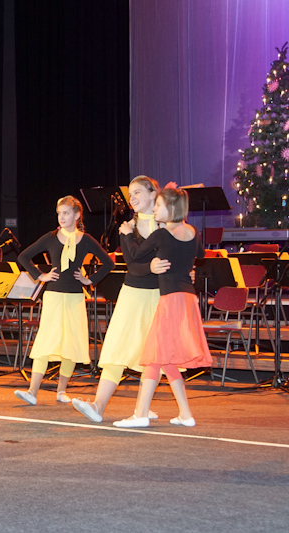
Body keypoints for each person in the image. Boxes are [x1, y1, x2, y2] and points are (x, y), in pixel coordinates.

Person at [113, 186, 210, 428]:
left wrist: (127, 234)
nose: (155, 209)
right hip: (188, 298)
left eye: (158, 205)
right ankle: (185, 414)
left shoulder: (162, 234)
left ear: (171, 208)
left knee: (156, 355)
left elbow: (135, 254)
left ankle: (141, 414)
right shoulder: (192, 231)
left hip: (170, 299)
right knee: (166, 358)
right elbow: (200, 254)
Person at [72, 176, 163, 423]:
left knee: (153, 353)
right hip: (133, 294)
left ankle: (143, 408)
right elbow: (132, 265)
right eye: (130, 194)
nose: (132, 198)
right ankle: (98, 406)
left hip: (160, 296)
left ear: (153, 194)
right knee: (117, 347)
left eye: (137, 192)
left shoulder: (167, 225)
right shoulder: (127, 228)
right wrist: (151, 267)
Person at [13, 196, 114, 406]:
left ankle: (61, 390)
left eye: (66, 213)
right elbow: (24, 256)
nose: (61, 217)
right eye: (59, 213)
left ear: (77, 215)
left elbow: (108, 263)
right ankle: (32, 391)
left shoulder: (86, 240)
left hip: (75, 297)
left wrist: (89, 280)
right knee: (46, 341)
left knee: (72, 343)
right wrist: (40, 275)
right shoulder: (50, 237)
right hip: (54, 296)